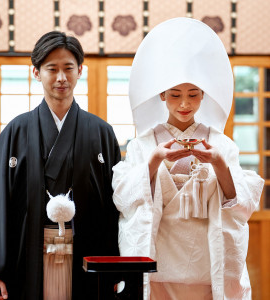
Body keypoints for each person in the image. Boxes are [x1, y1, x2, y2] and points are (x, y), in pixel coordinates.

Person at [112, 17, 264, 300]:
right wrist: (155, 159)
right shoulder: (143, 145)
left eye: (193, 95)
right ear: (161, 96)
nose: (184, 104)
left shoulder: (221, 144)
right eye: (175, 95)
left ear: (204, 94)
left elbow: (242, 205)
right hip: (158, 267)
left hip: (207, 269)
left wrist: (218, 163)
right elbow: (123, 198)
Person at [0, 31, 121, 300]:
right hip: (27, 255)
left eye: (68, 68)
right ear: (37, 73)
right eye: (52, 69)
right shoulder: (17, 131)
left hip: (87, 256)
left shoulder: (101, 132)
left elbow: (115, 206)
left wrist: (113, 269)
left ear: (80, 71)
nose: (61, 77)